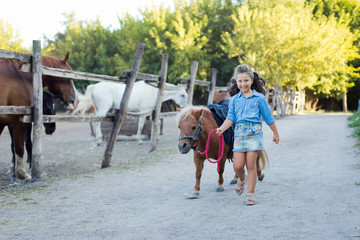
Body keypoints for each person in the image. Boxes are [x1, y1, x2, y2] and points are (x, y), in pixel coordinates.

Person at [215, 64, 279, 205]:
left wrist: (275, 133)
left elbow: (268, 117)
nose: (243, 84)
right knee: (237, 166)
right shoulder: (234, 100)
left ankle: (251, 194)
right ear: (236, 82)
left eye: (246, 81)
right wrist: (221, 128)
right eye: (240, 81)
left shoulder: (259, 98)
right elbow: (230, 118)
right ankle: (241, 179)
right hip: (239, 135)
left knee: (251, 165)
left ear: (251, 80)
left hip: (254, 134)